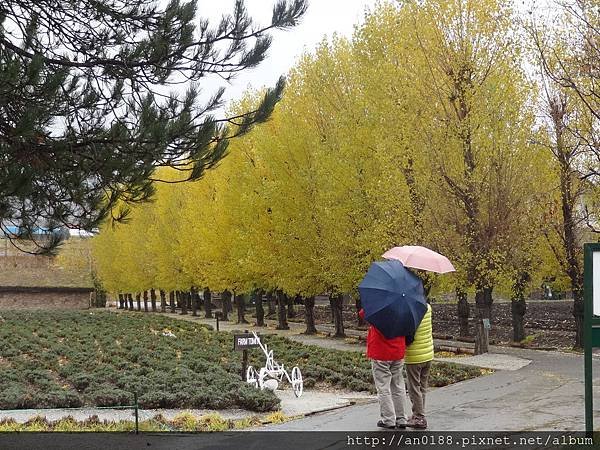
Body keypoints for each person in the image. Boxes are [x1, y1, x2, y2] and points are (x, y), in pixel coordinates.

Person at [359, 308, 408, 429]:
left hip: (381, 353)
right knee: (398, 385)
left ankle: (388, 419)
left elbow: (362, 313)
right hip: (398, 351)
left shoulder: (378, 308)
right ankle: (401, 418)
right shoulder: (402, 309)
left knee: (383, 387)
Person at [404, 301, 433, 429]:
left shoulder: (409, 311)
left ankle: (420, 417)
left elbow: (409, 336)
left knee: (414, 387)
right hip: (428, 353)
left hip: (415, 356)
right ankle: (418, 413)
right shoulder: (427, 307)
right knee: (422, 387)